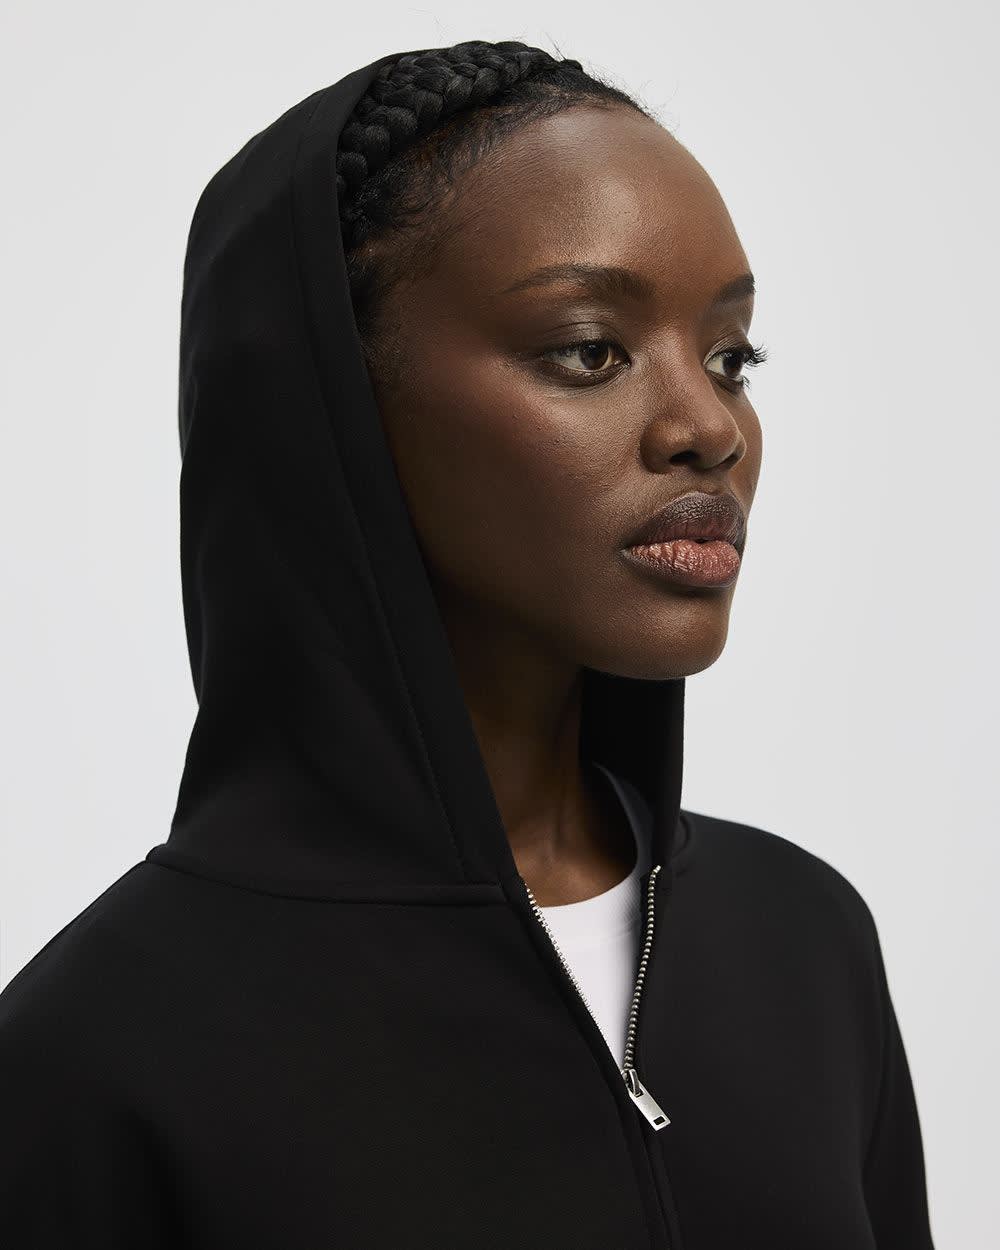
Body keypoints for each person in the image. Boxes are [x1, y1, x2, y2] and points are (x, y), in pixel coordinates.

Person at [0, 39, 935, 1248]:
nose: (709, 426)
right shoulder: (98, 1053)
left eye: (730, 357)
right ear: (335, 401)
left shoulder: (803, 940)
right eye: (589, 349)